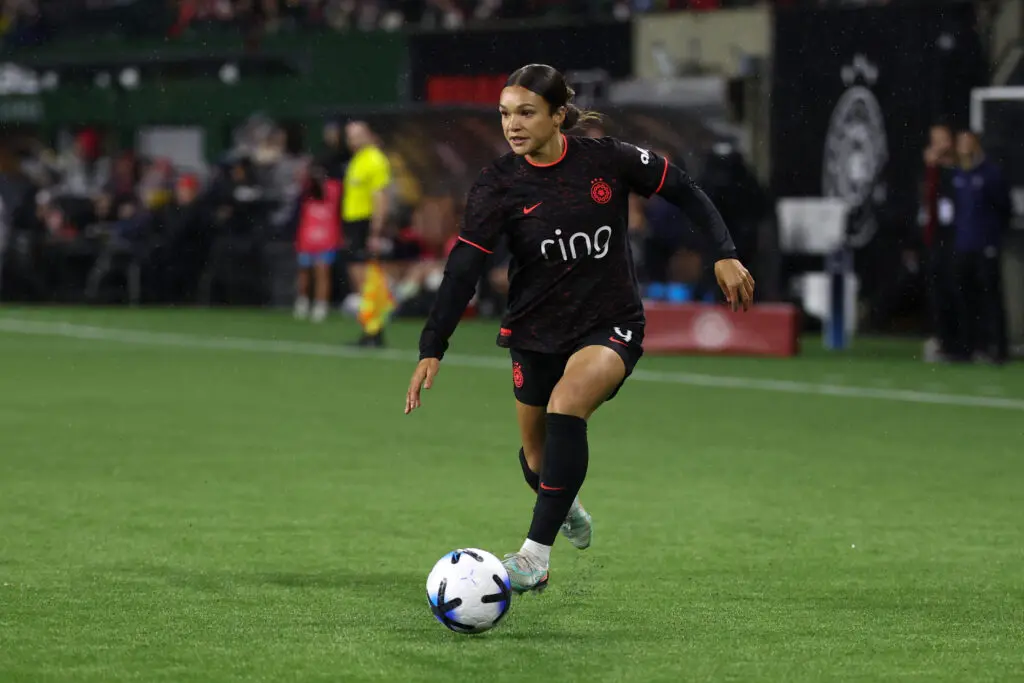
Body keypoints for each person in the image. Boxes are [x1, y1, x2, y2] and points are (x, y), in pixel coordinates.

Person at [403, 64, 754, 594]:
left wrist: (724, 254)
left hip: (610, 322)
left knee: (567, 405)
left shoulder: (606, 160)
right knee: (537, 457)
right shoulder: (498, 184)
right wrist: (433, 345)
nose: (512, 125)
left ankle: (533, 557)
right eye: (504, 114)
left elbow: (682, 189)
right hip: (534, 331)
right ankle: (563, 504)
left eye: (526, 112)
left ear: (558, 115)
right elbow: (464, 269)